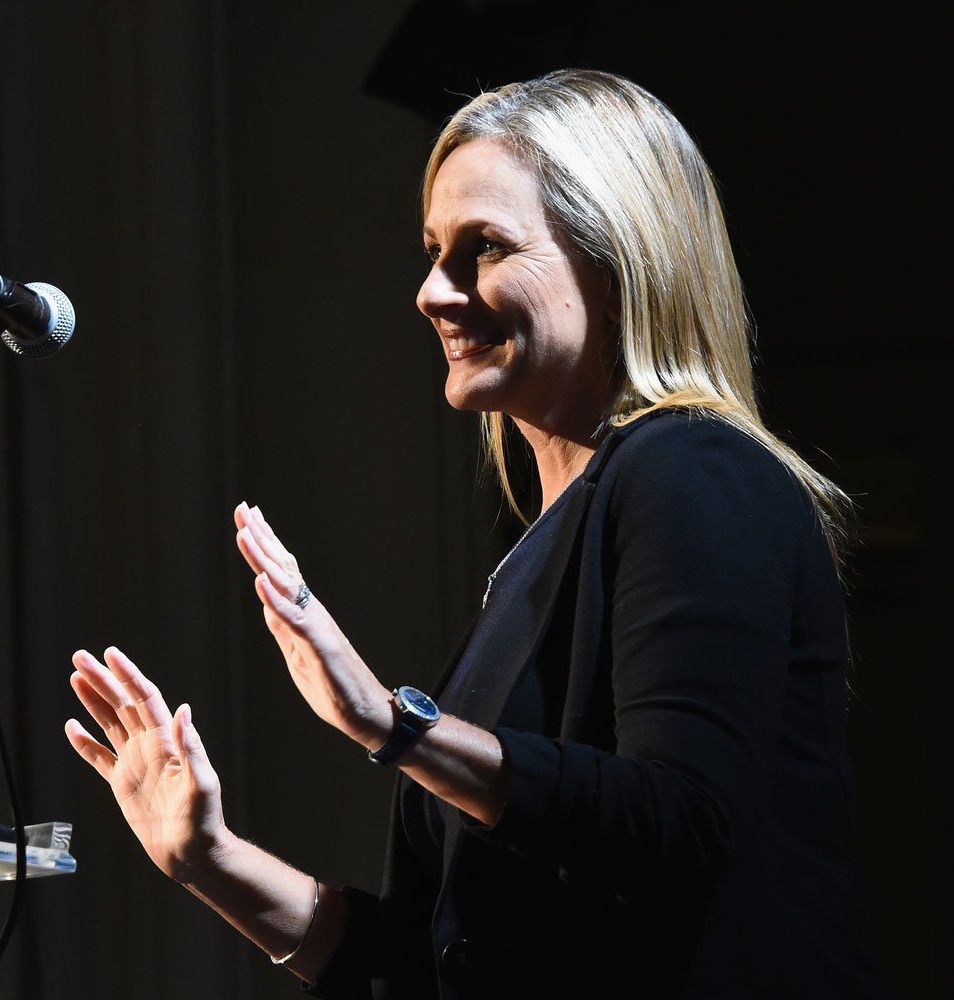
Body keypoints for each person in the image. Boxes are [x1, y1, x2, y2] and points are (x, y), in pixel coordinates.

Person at [63, 69, 889, 998]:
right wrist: (210, 862)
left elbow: (681, 821)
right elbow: (438, 968)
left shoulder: (693, 472)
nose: (431, 290)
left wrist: (392, 722)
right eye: (431, 250)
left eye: (484, 248)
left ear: (619, 265)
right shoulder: (538, 553)